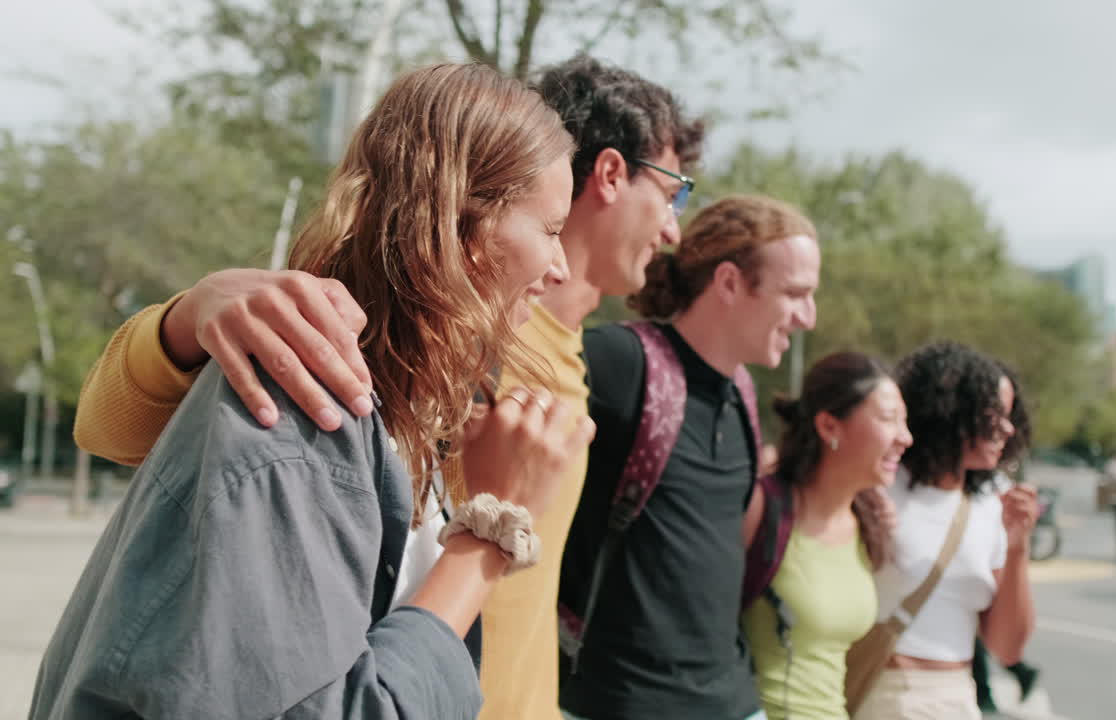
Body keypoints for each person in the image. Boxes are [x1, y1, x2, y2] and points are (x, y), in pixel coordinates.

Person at [69, 54, 704, 720]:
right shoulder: (323, 370)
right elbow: (112, 430)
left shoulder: (485, 361)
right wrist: (185, 317)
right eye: (548, 229)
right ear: (464, 224)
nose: (557, 263)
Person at [559, 194, 821, 720]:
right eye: (794, 294)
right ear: (728, 283)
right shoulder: (620, 362)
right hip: (620, 702)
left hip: (734, 699)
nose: (808, 318)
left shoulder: (743, 392)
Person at [853, 341, 1038, 720]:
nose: (1006, 428)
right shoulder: (878, 483)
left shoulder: (994, 501)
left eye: (1010, 415)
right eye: (993, 414)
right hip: (882, 692)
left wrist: (1018, 547)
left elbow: (1006, 649)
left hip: (957, 698)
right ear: (951, 409)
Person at [741, 352, 913, 720]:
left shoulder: (868, 523)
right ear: (829, 427)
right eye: (888, 420)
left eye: (905, 422)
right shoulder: (762, 507)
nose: (905, 437)